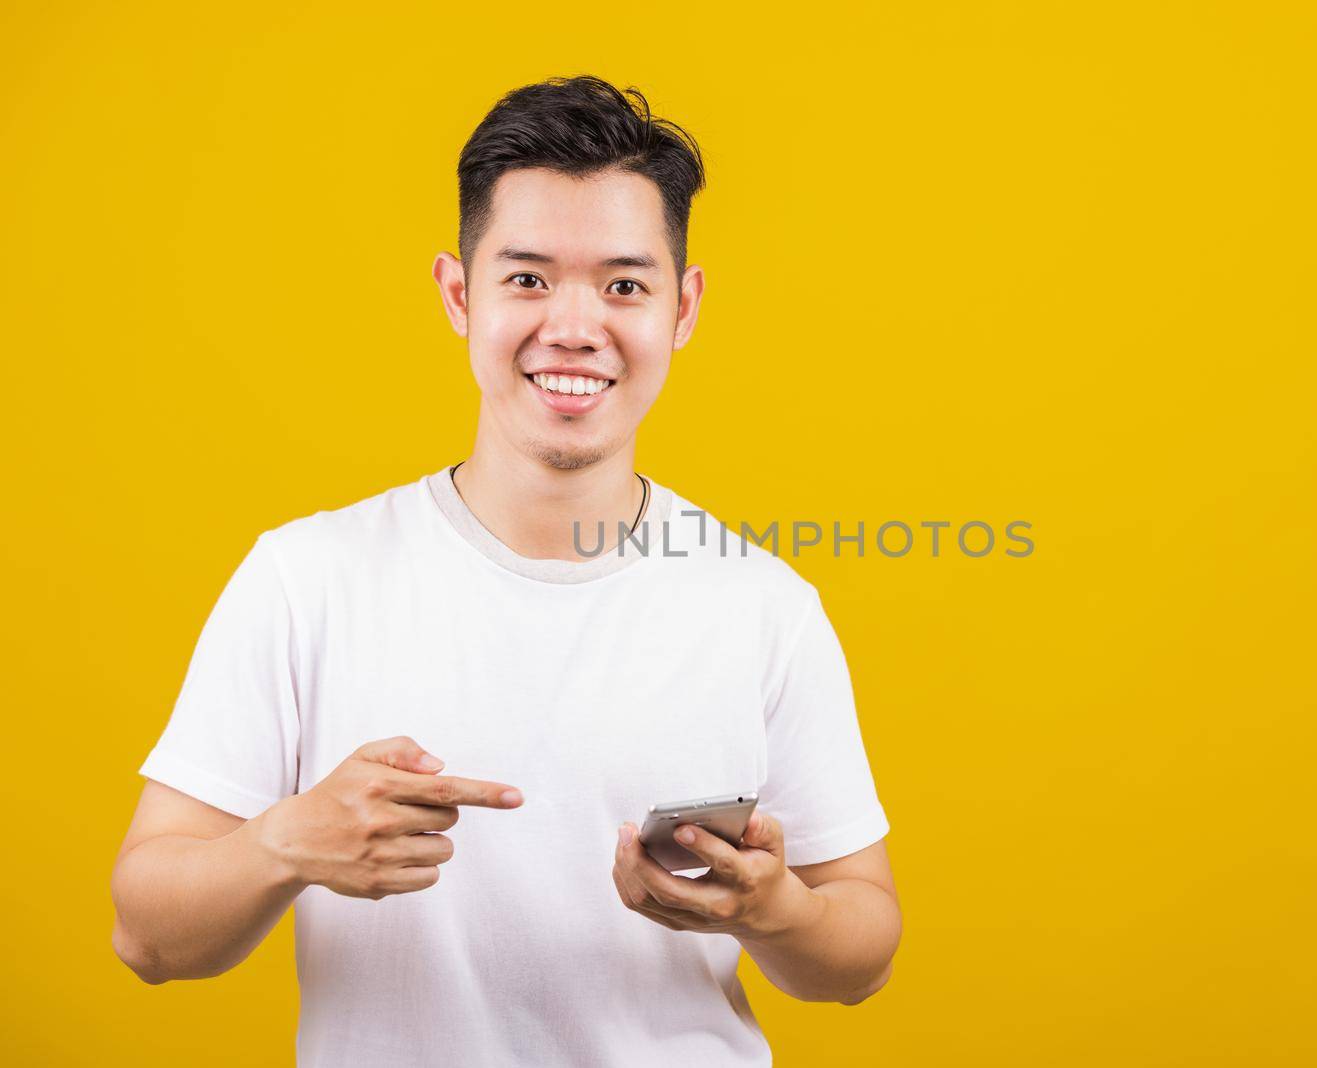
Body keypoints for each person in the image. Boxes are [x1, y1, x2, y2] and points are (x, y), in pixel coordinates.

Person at [109, 74, 900, 1066]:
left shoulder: (763, 606)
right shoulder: (304, 579)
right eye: (527, 278)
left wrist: (776, 910)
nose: (575, 327)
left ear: (683, 307)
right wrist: (284, 843)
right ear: (458, 292)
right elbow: (145, 936)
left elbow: (861, 952)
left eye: (623, 285)